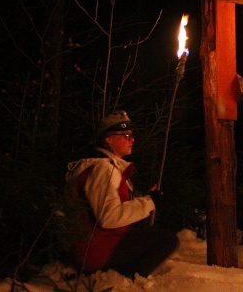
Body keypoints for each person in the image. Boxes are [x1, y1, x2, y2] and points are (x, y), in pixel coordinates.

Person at [66, 111, 179, 278]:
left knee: (148, 234)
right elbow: (109, 217)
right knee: (167, 240)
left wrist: (146, 199)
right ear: (107, 139)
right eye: (125, 135)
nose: (132, 140)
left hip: (96, 245)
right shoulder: (104, 169)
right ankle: (123, 278)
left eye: (132, 135)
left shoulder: (107, 168)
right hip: (96, 249)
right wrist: (148, 202)